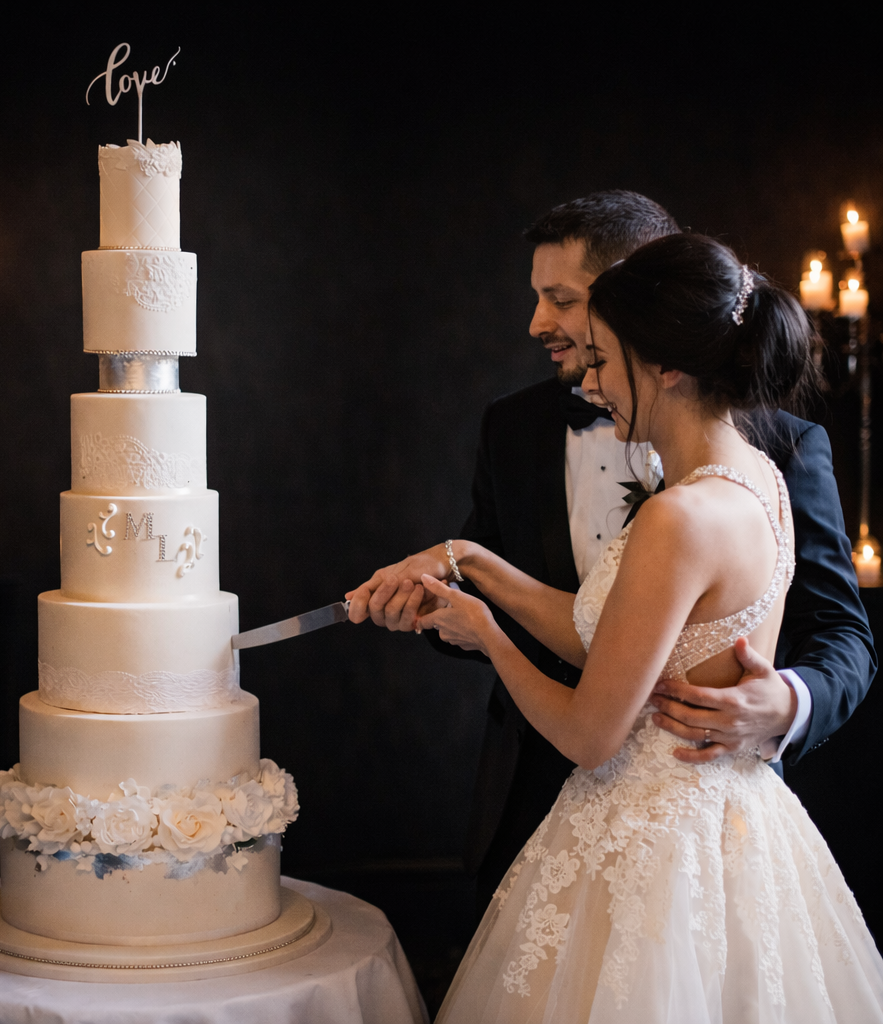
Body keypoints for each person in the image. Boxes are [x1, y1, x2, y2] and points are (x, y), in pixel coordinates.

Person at [370, 234, 883, 1019]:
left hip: (654, 849)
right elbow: (616, 643)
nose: (590, 379)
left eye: (604, 358)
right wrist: (471, 561)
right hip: (734, 830)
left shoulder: (678, 517)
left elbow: (589, 735)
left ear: (666, 364)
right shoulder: (758, 479)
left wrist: (488, 633)